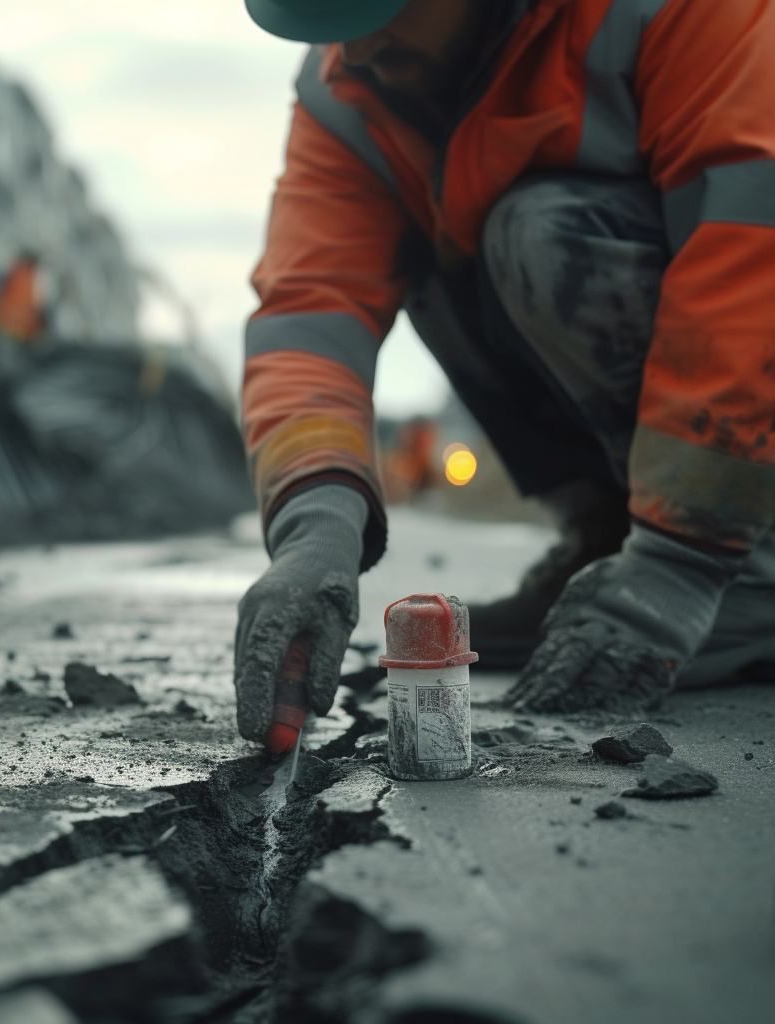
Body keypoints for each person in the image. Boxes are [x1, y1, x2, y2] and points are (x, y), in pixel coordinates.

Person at [234, 0, 775, 743]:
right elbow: (311, 311)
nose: (353, 53)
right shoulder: (350, 93)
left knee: (537, 231)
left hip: (752, 396)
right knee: (444, 263)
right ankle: (610, 539)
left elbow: (751, 244)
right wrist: (314, 527)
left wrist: (685, 559)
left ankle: (750, 568)